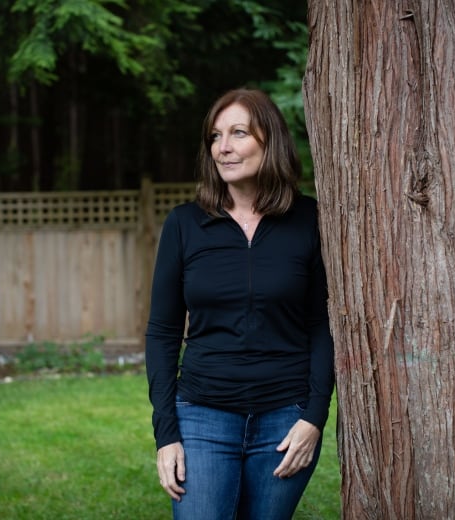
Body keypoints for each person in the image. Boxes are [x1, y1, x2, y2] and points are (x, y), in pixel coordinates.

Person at [145, 87, 334, 520]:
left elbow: (321, 324)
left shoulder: (309, 220)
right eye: (215, 136)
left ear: (271, 141)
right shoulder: (184, 224)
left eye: (238, 133)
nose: (223, 148)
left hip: (286, 418)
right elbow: (162, 332)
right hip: (202, 416)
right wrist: (167, 433)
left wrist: (314, 417)